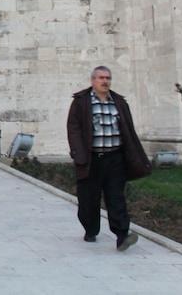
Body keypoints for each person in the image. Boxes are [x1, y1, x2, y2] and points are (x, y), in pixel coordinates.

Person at [67, 65, 151, 251]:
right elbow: (74, 129)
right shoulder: (81, 102)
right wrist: (78, 154)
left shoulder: (119, 102)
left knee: (116, 197)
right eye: (101, 78)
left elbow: (128, 130)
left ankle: (122, 235)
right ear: (93, 80)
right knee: (88, 198)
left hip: (115, 158)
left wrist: (132, 155)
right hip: (91, 159)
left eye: (108, 78)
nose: (105, 81)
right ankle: (91, 229)